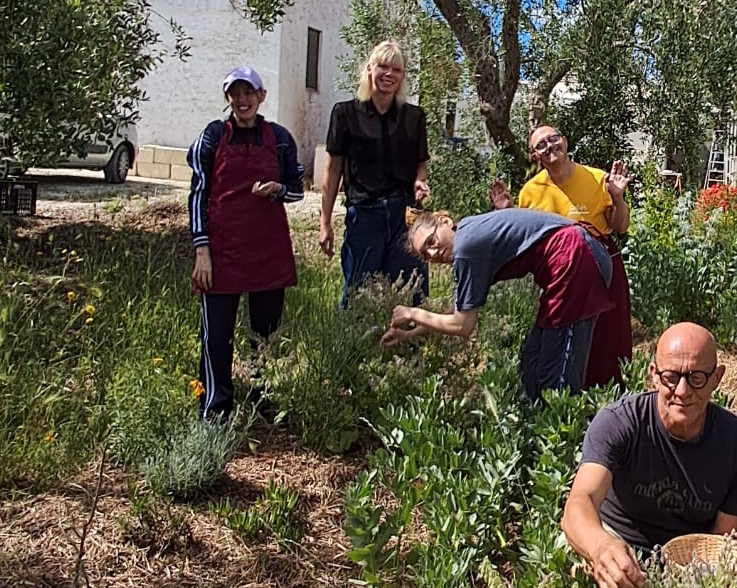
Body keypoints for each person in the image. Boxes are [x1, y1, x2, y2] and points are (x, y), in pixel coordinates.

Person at [562, 322, 737, 588]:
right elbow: (579, 503)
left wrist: (733, 564)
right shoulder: (620, 423)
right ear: (654, 375)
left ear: (717, 378)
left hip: (688, 561)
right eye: (671, 377)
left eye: (697, 378)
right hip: (617, 542)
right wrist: (600, 547)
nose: (682, 391)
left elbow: (723, 536)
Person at [381, 206, 613, 400]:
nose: (433, 252)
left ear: (445, 222)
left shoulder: (465, 246)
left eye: (431, 241)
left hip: (574, 260)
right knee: (531, 363)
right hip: (572, 261)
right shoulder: (468, 235)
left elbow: (462, 326)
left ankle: (566, 444)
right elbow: (457, 311)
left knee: (558, 376)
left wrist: (411, 313)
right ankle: (536, 434)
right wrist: (410, 334)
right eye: (425, 254)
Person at [188, 67, 304, 421]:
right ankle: (216, 408)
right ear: (228, 99)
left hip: (267, 250)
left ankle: (261, 402)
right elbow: (198, 195)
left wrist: (278, 190)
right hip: (221, 252)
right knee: (216, 336)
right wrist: (202, 250)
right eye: (235, 94)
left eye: (248, 92)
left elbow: (298, 189)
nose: (242, 100)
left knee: (266, 334)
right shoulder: (212, 137)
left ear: (261, 96)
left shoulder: (281, 139)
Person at [490, 125, 633, 385]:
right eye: (540, 145)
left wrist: (618, 198)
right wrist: (508, 213)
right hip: (560, 277)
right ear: (534, 156)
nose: (549, 146)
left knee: (607, 341)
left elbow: (620, 227)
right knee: (564, 343)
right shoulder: (531, 192)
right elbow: (526, 241)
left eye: (553, 139)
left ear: (564, 142)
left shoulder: (597, 178)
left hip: (602, 268)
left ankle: (611, 407)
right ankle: (565, 405)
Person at [319, 41, 430, 305]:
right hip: (364, 216)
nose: (389, 74)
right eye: (382, 66)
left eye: (396, 69)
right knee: (359, 295)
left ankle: (410, 346)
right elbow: (333, 170)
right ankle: (357, 347)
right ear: (369, 69)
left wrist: (419, 182)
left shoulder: (414, 117)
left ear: (402, 76)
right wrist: (325, 223)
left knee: (413, 292)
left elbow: (421, 165)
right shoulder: (344, 113)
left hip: (405, 216)